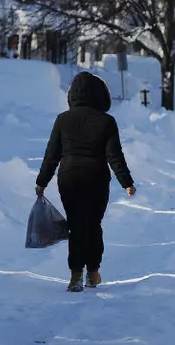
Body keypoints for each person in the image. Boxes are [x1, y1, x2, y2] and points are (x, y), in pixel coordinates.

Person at [35, 72, 136, 292]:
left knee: (76, 225)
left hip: (69, 177)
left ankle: (75, 276)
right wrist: (126, 182)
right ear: (101, 95)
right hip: (96, 177)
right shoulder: (107, 121)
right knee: (93, 224)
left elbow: (52, 155)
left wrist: (42, 181)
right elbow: (114, 156)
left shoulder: (63, 119)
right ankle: (93, 272)